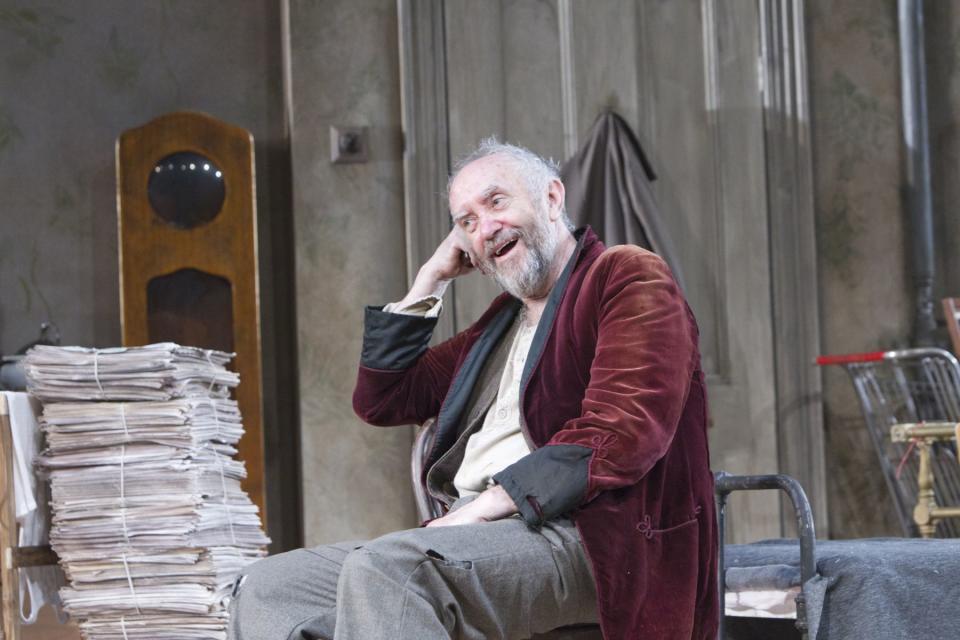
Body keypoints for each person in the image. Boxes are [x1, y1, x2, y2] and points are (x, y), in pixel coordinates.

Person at [228, 140, 718, 640]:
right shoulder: (497, 328)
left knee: (392, 570)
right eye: (465, 222)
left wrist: (482, 508)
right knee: (270, 587)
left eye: (496, 202)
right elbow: (383, 398)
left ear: (552, 198)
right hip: (487, 536)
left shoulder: (625, 275)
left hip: (594, 537)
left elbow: (623, 430)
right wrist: (431, 279)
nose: (484, 228)